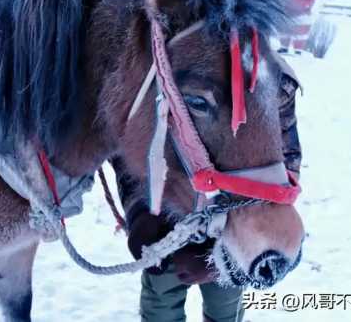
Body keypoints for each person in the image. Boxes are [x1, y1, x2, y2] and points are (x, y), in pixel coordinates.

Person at [113, 56, 302, 322]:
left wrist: (218, 261)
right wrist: (140, 215)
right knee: (160, 310)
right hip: (164, 224)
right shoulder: (149, 63)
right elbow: (125, 146)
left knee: (225, 310)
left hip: (234, 233)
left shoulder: (273, 80)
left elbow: (285, 166)